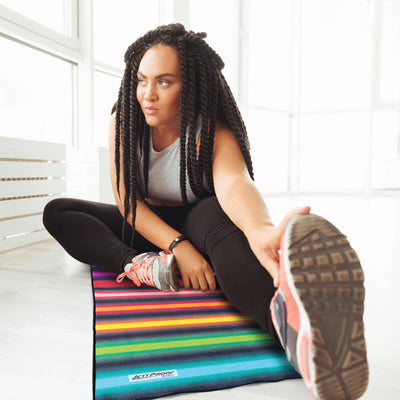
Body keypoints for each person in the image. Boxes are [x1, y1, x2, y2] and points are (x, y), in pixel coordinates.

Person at [43, 23, 368, 400]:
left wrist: (259, 231)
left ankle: (303, 336)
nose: (148, 94)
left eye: (164, 82)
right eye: (142, 81)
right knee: (59, 211)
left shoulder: (211, 132)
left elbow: (235, 183)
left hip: (200, 216)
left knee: (230, 246)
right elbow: (127, 201)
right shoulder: (124, 123)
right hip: (147, 225)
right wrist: (178, 247)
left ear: (190, 86)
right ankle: (143, 266)